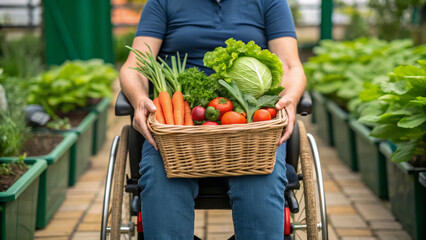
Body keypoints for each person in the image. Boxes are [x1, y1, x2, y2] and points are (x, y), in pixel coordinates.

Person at [119, 0, 307, 239]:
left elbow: (291, 66)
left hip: (251, 123)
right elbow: (134, 66)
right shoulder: (162, 2)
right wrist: (138, 100)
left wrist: (289, 99)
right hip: (177, 126)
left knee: (260, 178)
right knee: (161, 175)